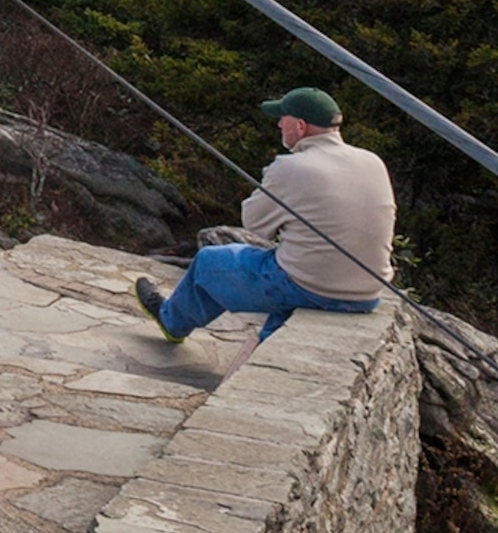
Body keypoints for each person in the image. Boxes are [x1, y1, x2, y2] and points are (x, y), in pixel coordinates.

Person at [135, 88, 393, 342]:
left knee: (209, 262)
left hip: (313, 289)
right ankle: (267, 341)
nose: (279, 123)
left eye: (284, 118)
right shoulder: (373, 161)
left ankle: (171, 321)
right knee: (288, 275)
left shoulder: (291, 167)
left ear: (301, 126)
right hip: (368, 293)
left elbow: (254, 225)